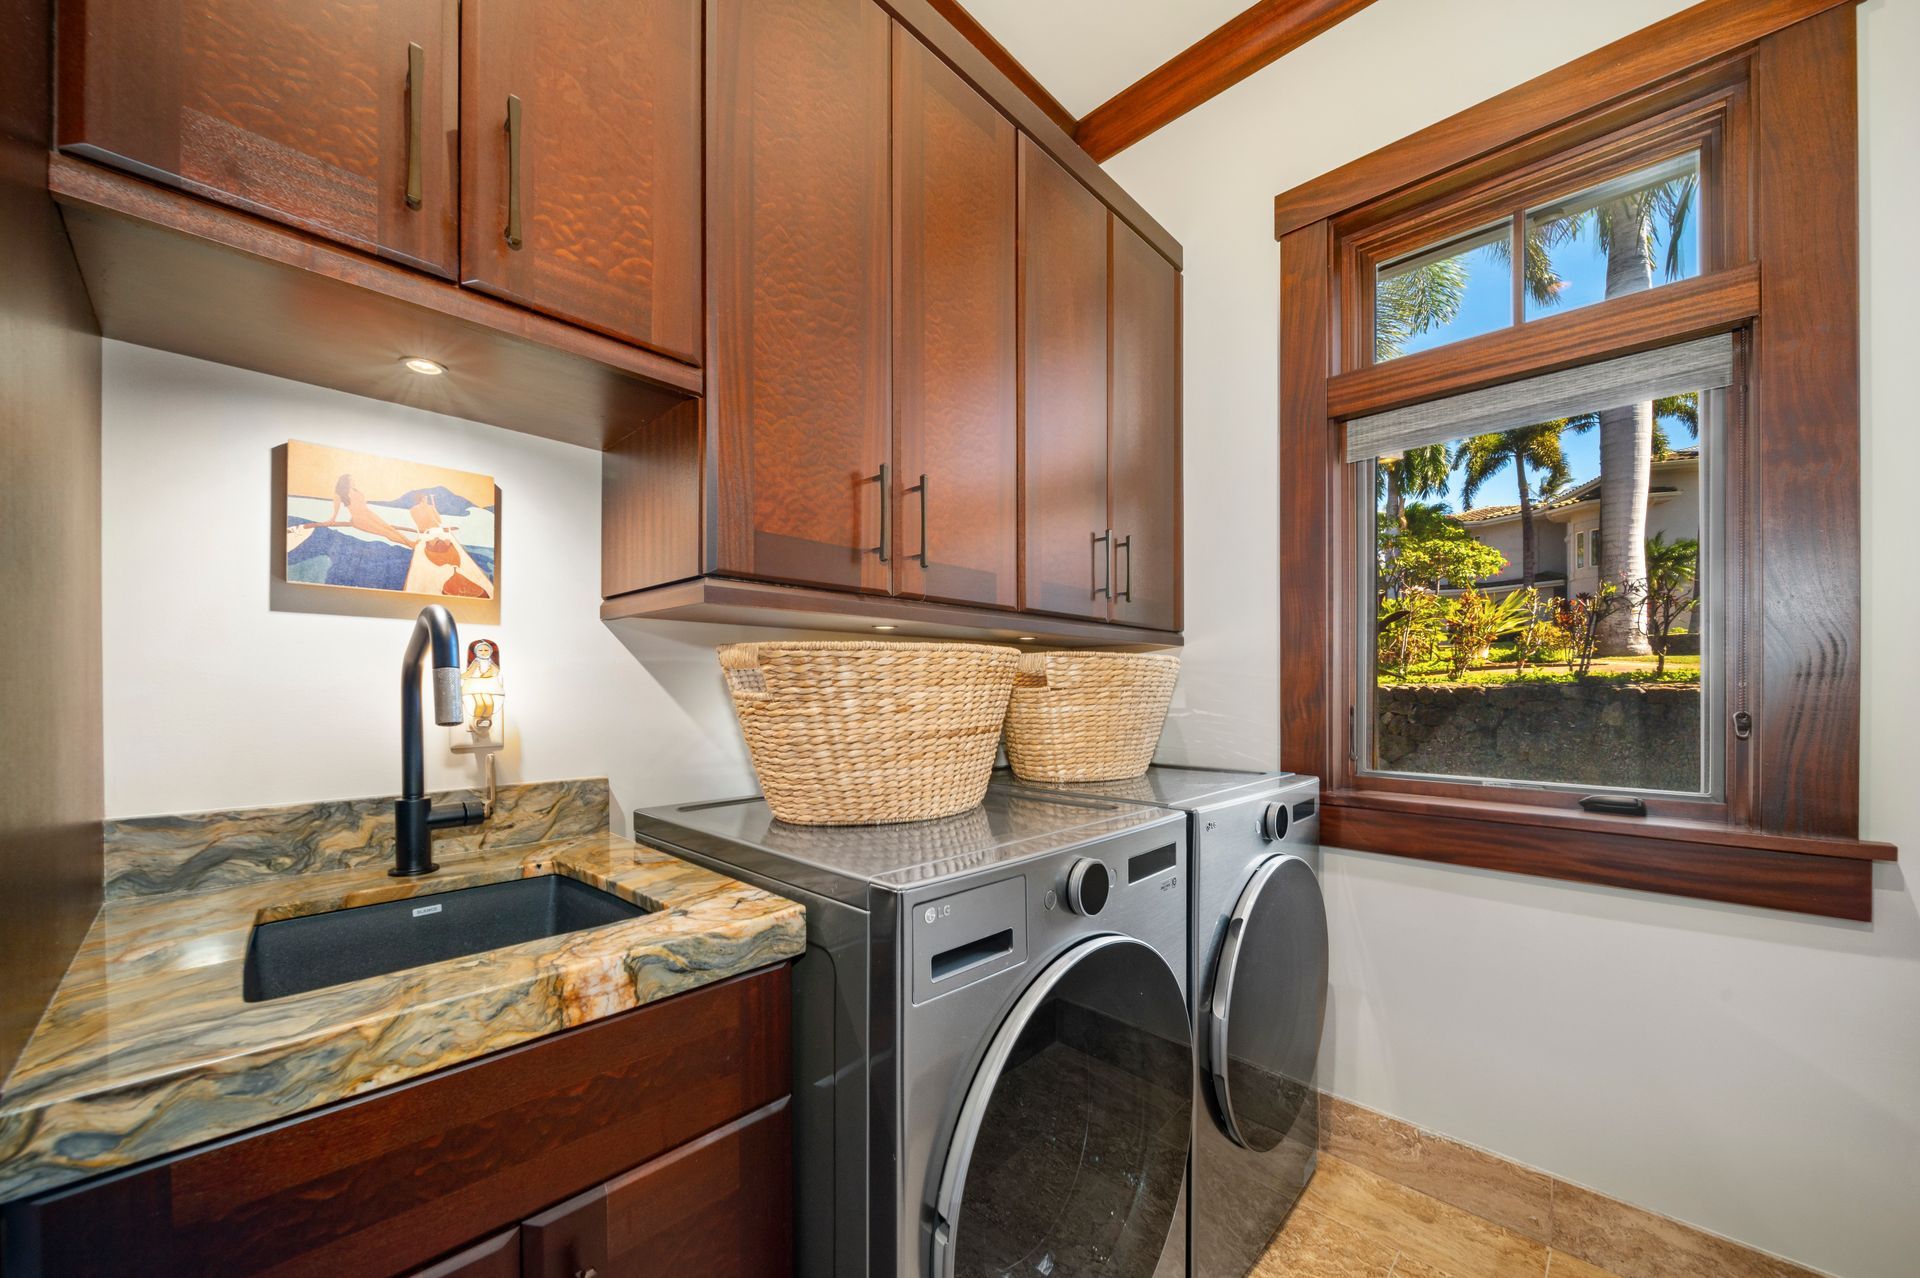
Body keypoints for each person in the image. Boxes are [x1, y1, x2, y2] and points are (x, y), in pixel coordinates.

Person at [310, 474, 418, 547]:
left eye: (353, 480)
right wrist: (331, 520)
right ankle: (410, 545)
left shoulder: (356, 490)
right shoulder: (339, 494)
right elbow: (335, 512)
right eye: (351, 480)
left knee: (389, 528)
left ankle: (411, 543)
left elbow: (364, 505)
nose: (353, 482)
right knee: (385, 532)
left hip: (369, 513)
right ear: (345, 482)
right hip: (359, 519)